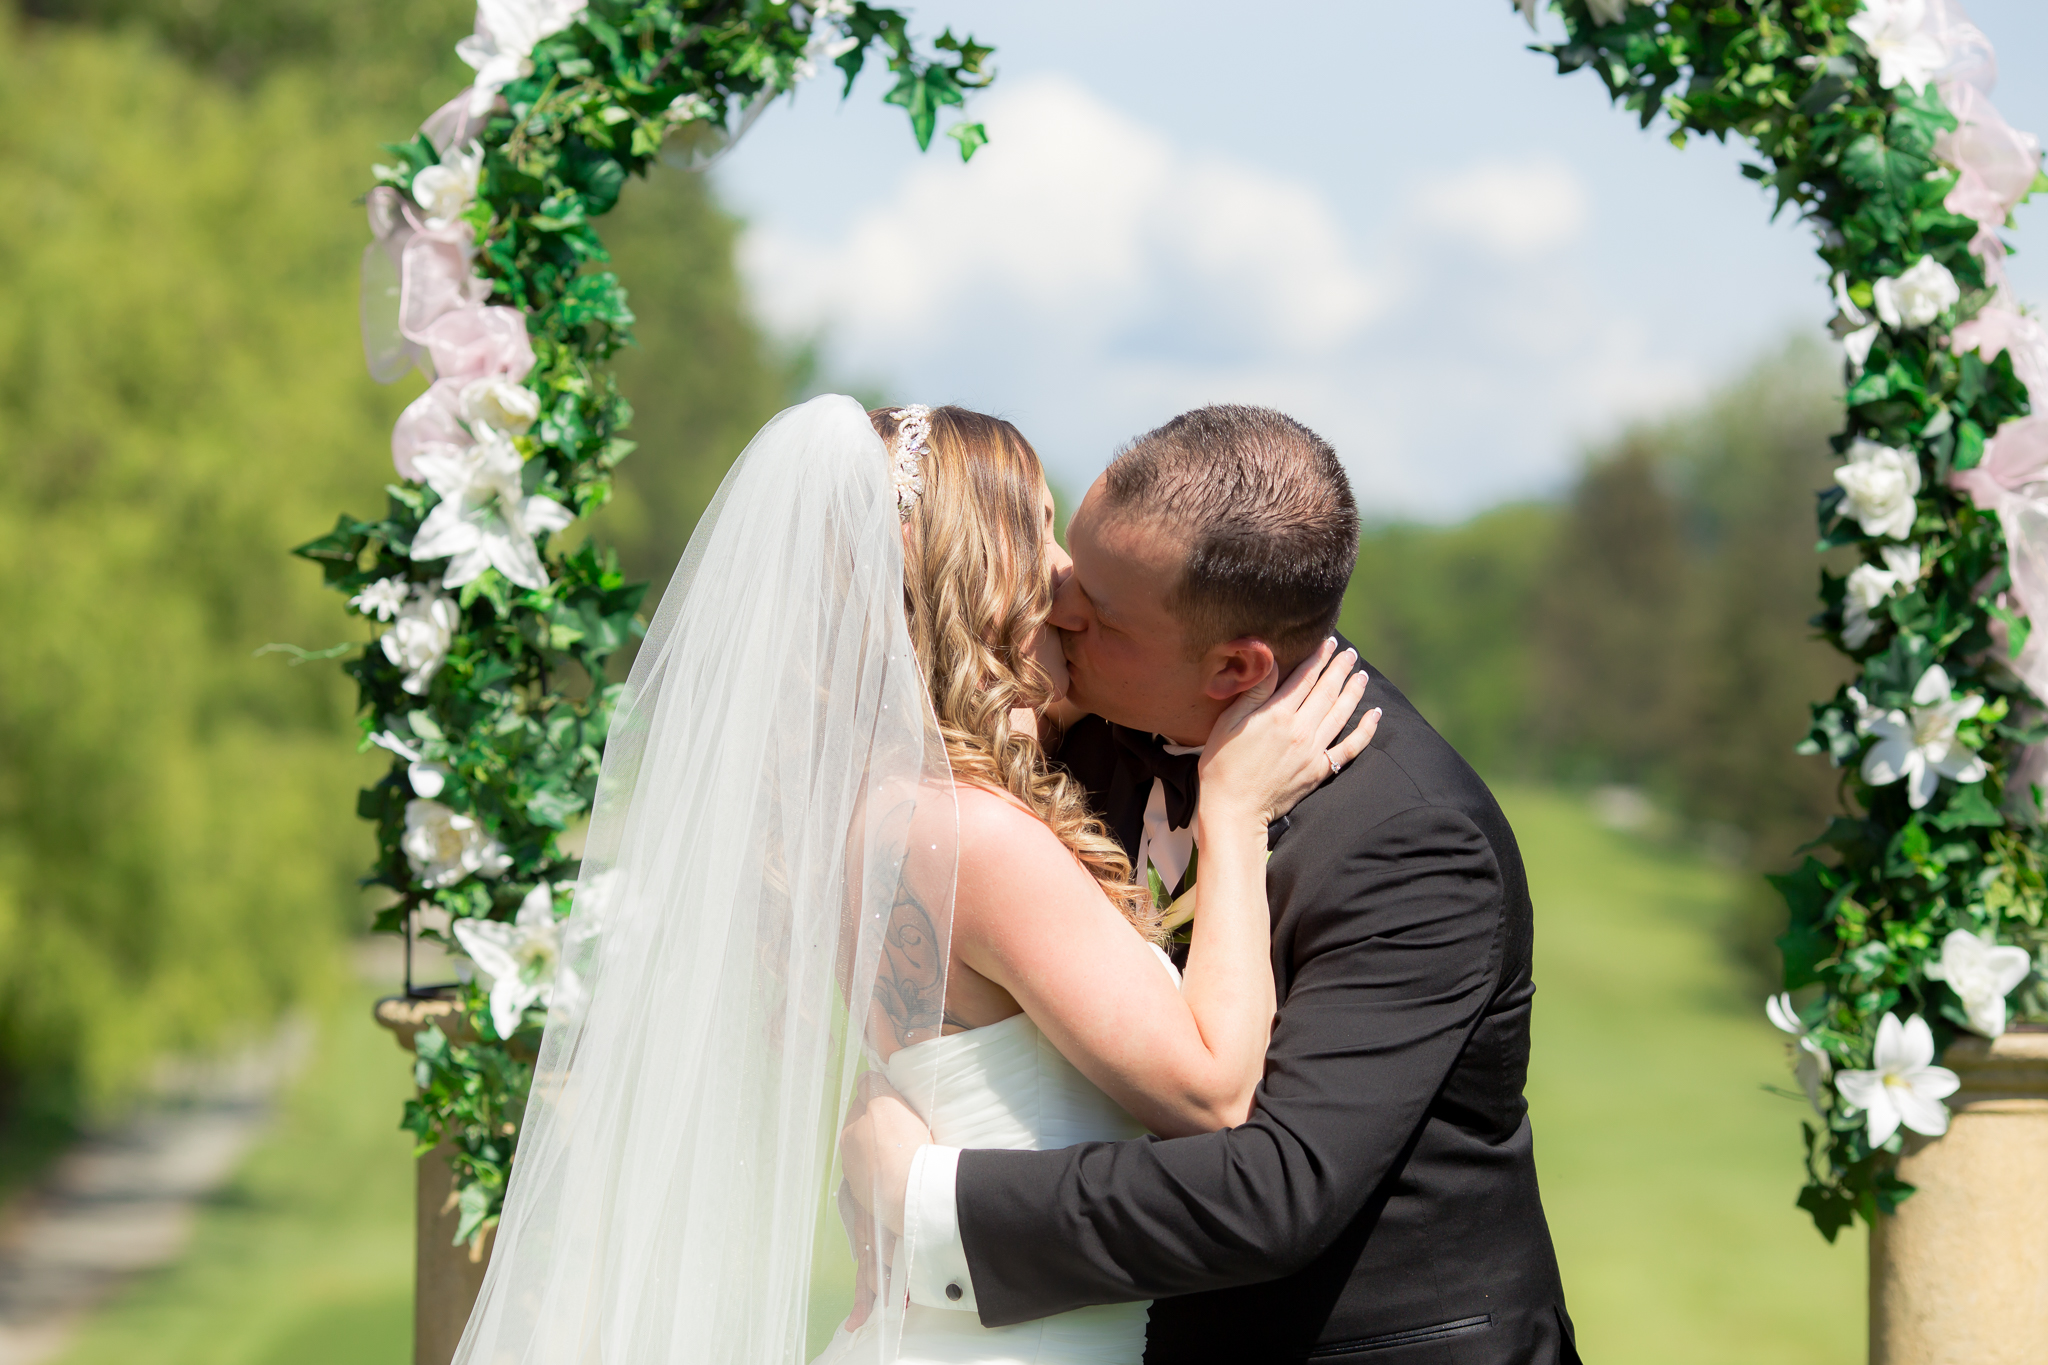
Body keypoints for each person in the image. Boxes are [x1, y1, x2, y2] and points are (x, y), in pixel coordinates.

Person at [446, 394, 1376, 1365]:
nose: (1065, 579)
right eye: (1041, 532)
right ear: (981, 572)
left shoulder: (884, 811)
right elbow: (1211, 1094)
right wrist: (1234, 815)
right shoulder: (974, 836)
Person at [842, 406, 1581, 1364]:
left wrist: (925, 1196)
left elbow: (1274, 1189)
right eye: (1069, 563)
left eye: (1100, 615)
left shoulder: (1410, 838)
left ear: (1236, 666)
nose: (1057, 603)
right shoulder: (1076, 734)